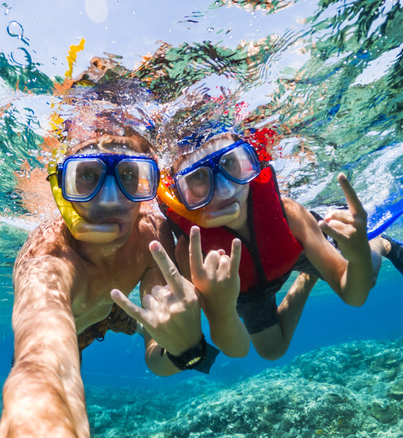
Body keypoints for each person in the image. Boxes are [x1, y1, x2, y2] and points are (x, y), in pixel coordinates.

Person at [0, 120, 220, 438]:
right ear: (62, 188)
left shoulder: (152, 238)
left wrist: (186, 348)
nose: (111, 198)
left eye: (130, 176)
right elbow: (42, 365)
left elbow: (157, 357)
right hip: (75, 328)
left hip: (121, 305)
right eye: (88, 176)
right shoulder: (47, 260)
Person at [139, 126, 389, 360]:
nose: (225, 190)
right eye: (198, 178)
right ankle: (307, 279)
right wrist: (221, 308)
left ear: (251, 162)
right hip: (247, 293)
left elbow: (354, 295)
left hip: (294, 253)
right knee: (272, 350)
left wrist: (357, 256)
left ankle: (379, 243)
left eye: (230, 164)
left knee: (368, 277)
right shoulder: (193, 253)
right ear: (180, 196)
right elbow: (236, 350)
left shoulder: (289, 213)